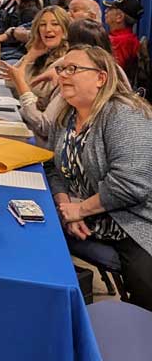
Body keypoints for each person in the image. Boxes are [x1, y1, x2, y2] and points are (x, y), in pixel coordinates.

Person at [48, 45, 152, 311]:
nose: (63, 75)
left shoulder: (123, 115)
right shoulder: (66, 116)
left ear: (101, 78)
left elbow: (131, 186)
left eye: (73, 69)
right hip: (89, 215)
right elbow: (54, 169)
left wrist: (79, 210)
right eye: (61, 69)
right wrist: (65, 208)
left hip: (135, 223)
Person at [3, 18, 115, 147]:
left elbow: (44, 126)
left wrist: (22, 85)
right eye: (42, 25)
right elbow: (12, 84)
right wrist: (30, 56)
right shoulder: (53, 61)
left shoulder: (74, 76)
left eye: (55, 24)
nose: (47, 30)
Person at [103, 0, 144, 77]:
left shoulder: (119, 41)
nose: (105, 11)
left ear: (119, 17)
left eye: (110, 9)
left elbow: (114, 72)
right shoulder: (128, 38)